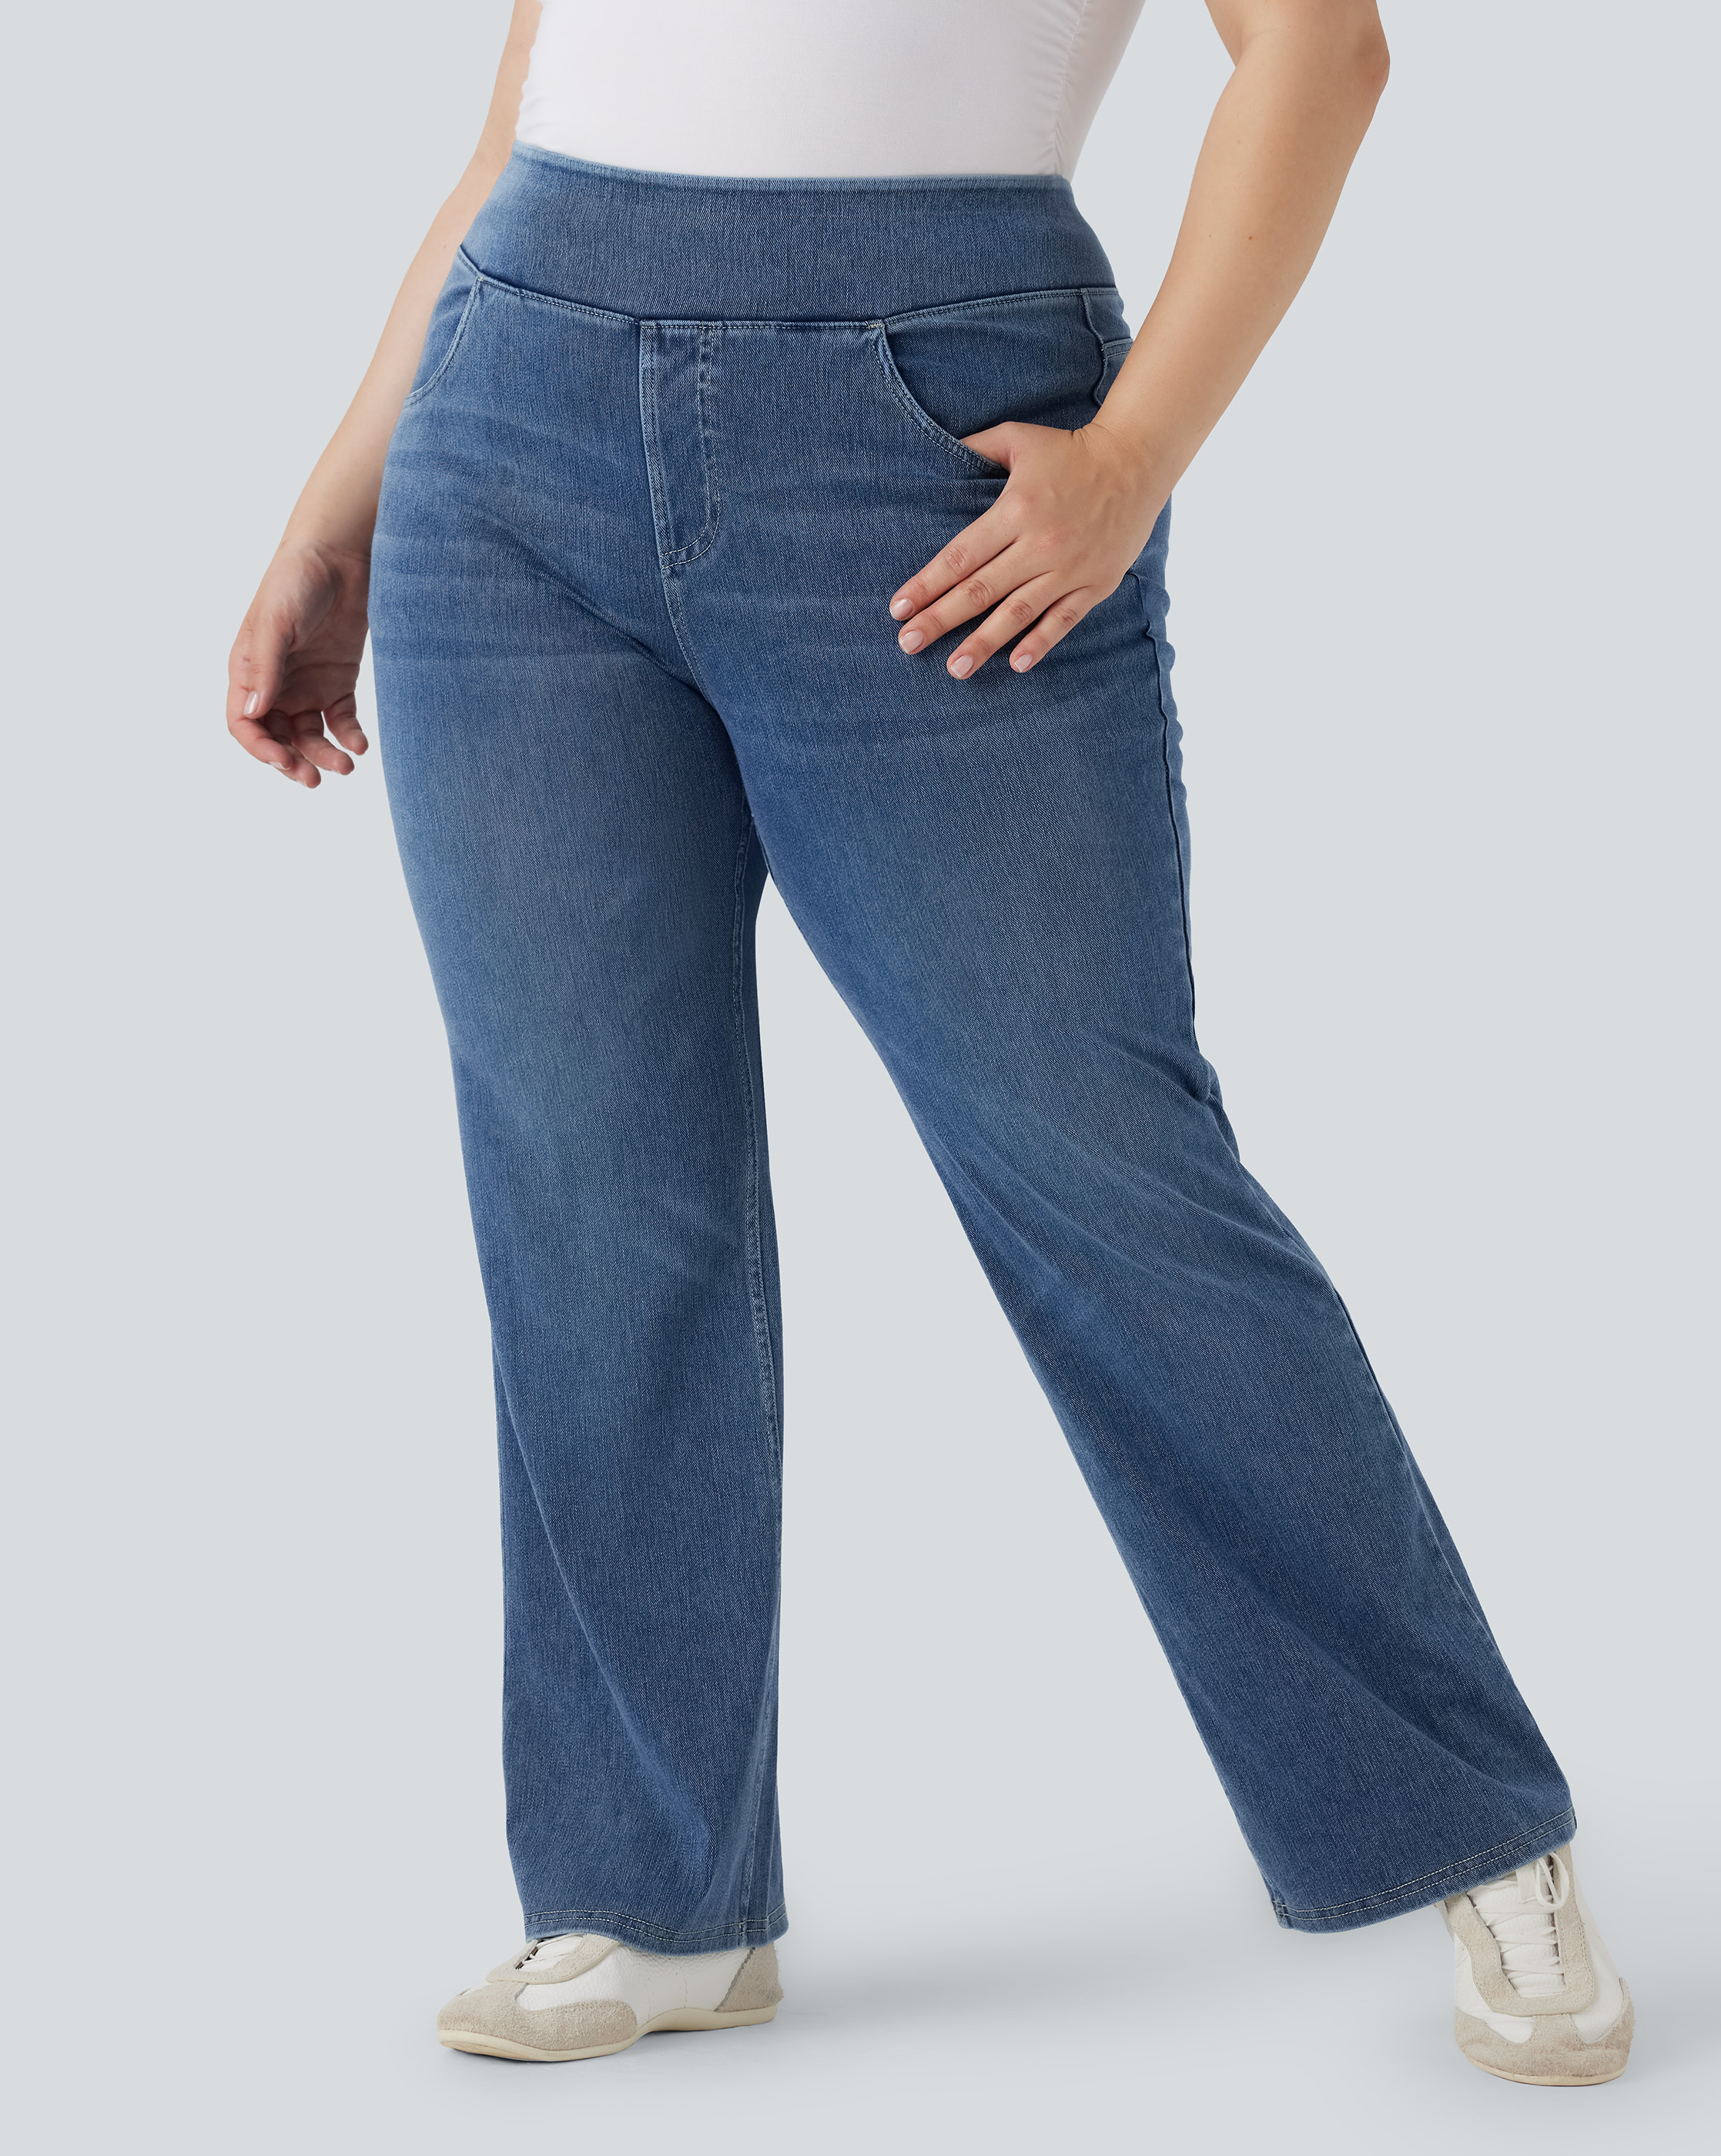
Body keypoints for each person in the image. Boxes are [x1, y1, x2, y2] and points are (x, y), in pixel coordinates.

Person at [226, 0, 1632, 2087]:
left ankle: (1471, 1828)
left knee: (1099, 1159)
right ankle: (653, 1894)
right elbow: (524, 113)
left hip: (921, 438)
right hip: (506, 435)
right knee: (588, 1187)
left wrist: (1133, 459)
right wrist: (337, 512)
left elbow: (1321, 54)